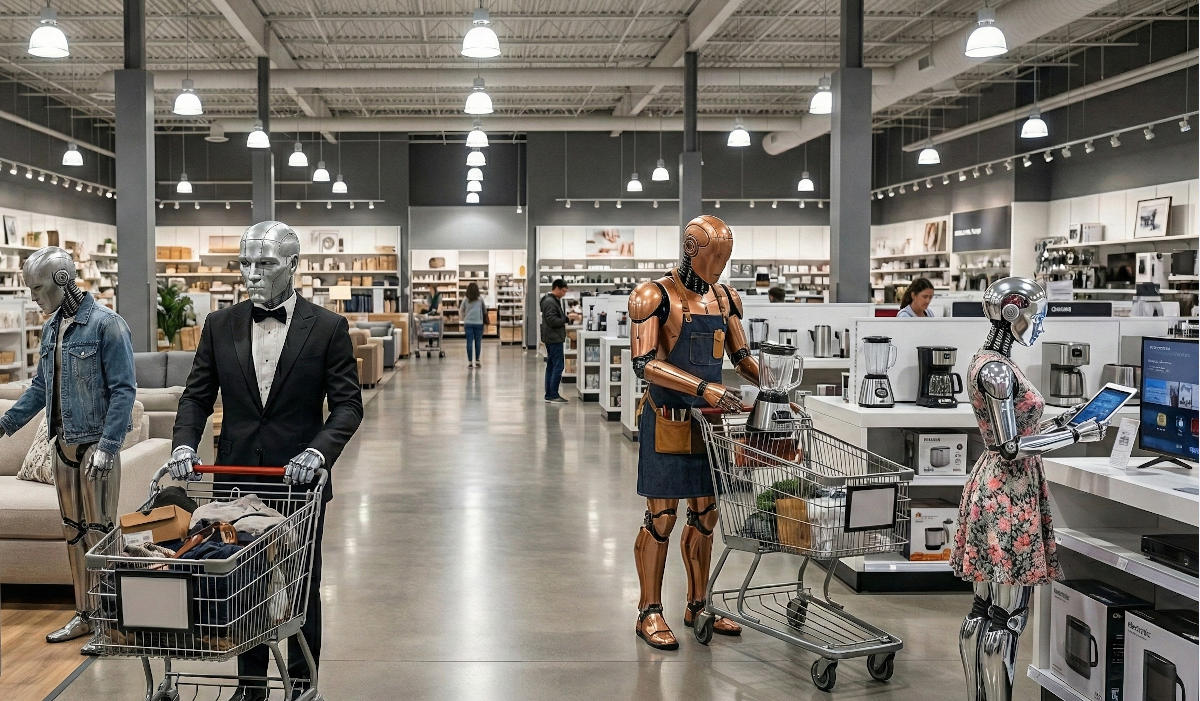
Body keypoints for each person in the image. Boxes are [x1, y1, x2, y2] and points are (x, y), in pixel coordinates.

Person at [165, 221, 363, 701]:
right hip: (233, 478)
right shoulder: (220, 324)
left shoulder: (329, 327)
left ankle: (299, 681)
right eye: (246, 263)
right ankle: (250, 686)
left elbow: (348, 405)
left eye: (265, 263)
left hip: (295, 482)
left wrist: (317, 451)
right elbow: (195, 398)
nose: (252, 274)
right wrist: (184, 445)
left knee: (299, 582)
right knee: (238, 580)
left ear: (293, 265)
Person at [952, 277, 1106, 701]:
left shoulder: (987, 360)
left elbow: (1020, 428)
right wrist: (1074, 437)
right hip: (1009, 492)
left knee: (983, 608)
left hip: (991, 486)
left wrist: (1067, 421)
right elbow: (1010, 445)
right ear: (1012, 314)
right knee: (1009, 614)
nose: (1039, 325)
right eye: (1036, 315)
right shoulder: (999, 370)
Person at [628, 215, 759, 650]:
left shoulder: (725, 299)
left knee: (706, 517)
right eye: (712, 256)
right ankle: (649, 610)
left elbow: (741, 356)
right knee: (661, 518)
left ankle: (698, 603)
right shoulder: (654, 296)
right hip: (666, 418)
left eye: (725, 258)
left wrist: (775, 387)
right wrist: (704, 386)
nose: (718, 266)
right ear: (690, 249)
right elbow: (643, 363)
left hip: (709, 423)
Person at [0, 246, 135, 655]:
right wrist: (5, 424)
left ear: (62, 280)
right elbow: (41, 387)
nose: (35, 297)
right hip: (62, 447)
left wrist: (109, 446)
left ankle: (111, 622)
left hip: (96, 447)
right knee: (73, 534)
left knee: (102, 534)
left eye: (39, 288)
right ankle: (85, 613)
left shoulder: (108, 325)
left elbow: (124, 390)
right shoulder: (51, 329)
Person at [540, 279, 576, 403]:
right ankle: (553, 394)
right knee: (558, 366)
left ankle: (550, 394)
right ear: (557, 288)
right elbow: (552, 320)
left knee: (551, 366)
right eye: (563, 291)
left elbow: (554, 318)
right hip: (553, 338)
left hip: (552, 337)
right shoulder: (550, 302)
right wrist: (566, 319)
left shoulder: (551, 300)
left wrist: (566, 318)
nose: (564, 294)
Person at [460, 282, 486, 368]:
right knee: (478, 342)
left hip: (468, 323)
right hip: (479, 323)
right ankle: (477, 361)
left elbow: (461, 310)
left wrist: (465, 318)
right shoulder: (480, 299)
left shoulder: (465, 299)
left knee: (469, 342)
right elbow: (484, 310)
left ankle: (470, 362)